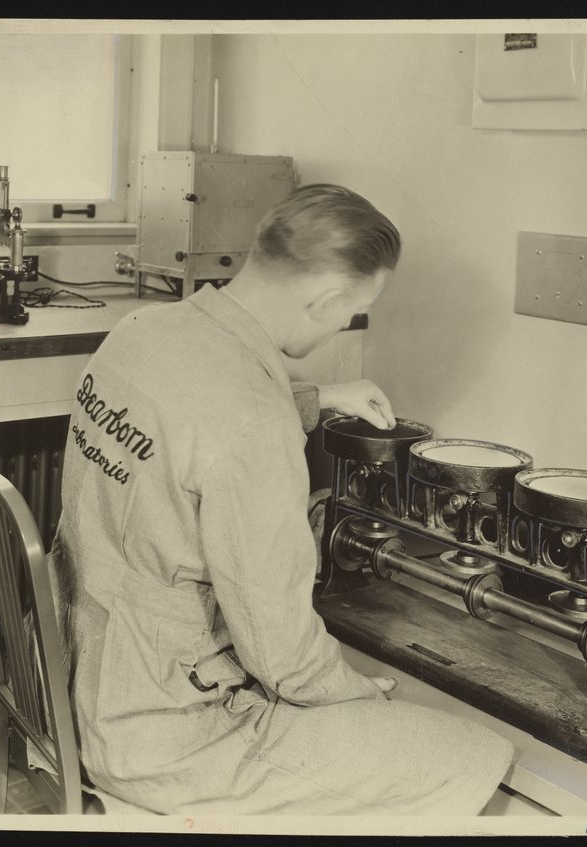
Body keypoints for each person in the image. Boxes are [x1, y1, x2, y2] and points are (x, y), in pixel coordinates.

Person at [46, 184, 513, 814]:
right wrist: (361, 698)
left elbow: (194, 420)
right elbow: (285, 659)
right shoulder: (256, 427)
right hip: (168, 734)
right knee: (476, 757)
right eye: (354, 310)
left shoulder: (142, 329)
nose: (347, 324)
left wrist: (317, 397)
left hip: (73, 681)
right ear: (324, 299)